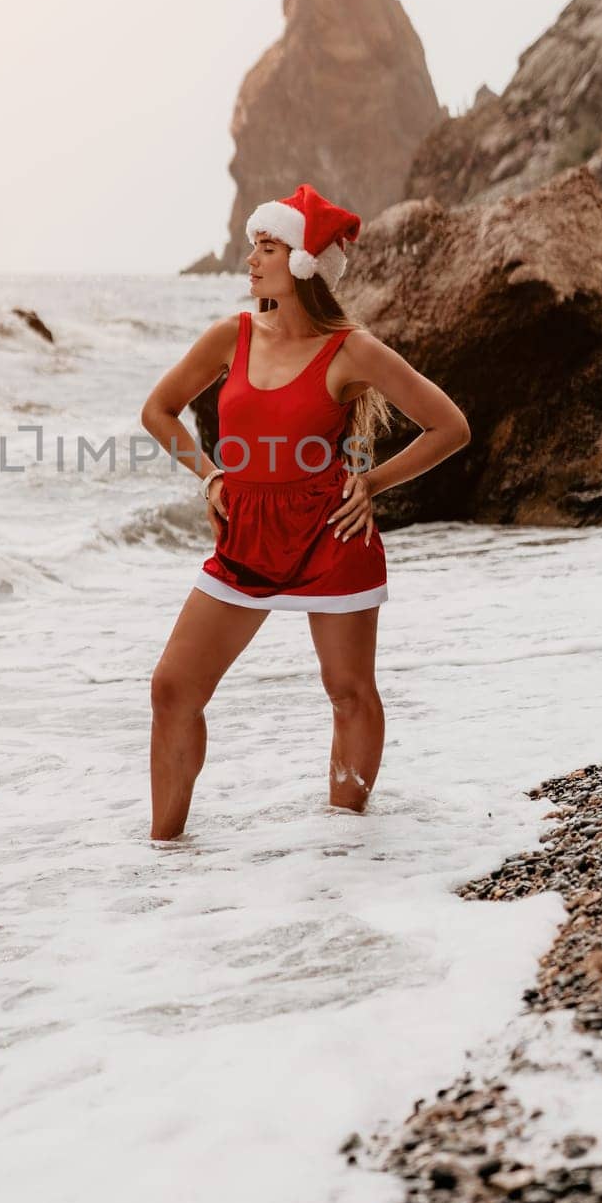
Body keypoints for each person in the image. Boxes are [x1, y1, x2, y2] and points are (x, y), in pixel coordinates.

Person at [140, 183, 471, 842]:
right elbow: (158, 411)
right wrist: (208, 474)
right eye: (252, 248)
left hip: (330, 537)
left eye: (265, 248)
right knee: (173, 688)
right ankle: (163, 851)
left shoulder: (351, 350)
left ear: (302, 264)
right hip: (244, 539)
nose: (250, 261)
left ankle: (345, 846)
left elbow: (448, 425)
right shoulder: (229, 336)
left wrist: (370, 483)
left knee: (347, 692)